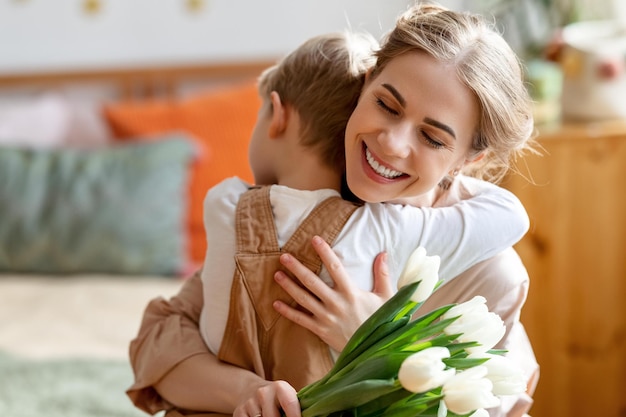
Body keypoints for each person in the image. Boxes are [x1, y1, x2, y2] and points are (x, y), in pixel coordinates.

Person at [128, 4, 538, 417]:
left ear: (469, 160)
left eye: (432, 138)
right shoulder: (308, 192)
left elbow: (477, 404)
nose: (392, 144)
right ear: (366, 83)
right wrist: (247, 392)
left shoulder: (489, 271)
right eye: (387, 105)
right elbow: (160, 343)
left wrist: (376, 341)